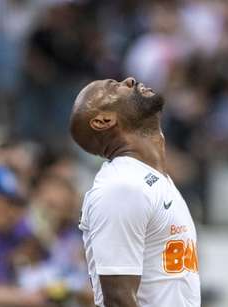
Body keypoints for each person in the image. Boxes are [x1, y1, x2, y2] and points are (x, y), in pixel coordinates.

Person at [69, 77, 200, 307]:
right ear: (103, 120)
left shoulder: (152, 181)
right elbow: (119, 301)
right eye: (113, 87)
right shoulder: (122, 187)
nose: (129, 80)